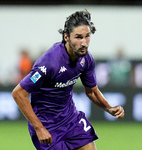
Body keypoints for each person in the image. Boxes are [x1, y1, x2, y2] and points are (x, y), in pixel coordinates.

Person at [12, 10, 124, 150]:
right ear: (66, 37)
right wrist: (39, 128)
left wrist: (109, 108)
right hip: (47, 125)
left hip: (71, 119)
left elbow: (92, 91)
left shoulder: (86, 59)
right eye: (78, 37)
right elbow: (18, 93)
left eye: (87, 36)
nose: (84, 43)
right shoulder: (49, 63)